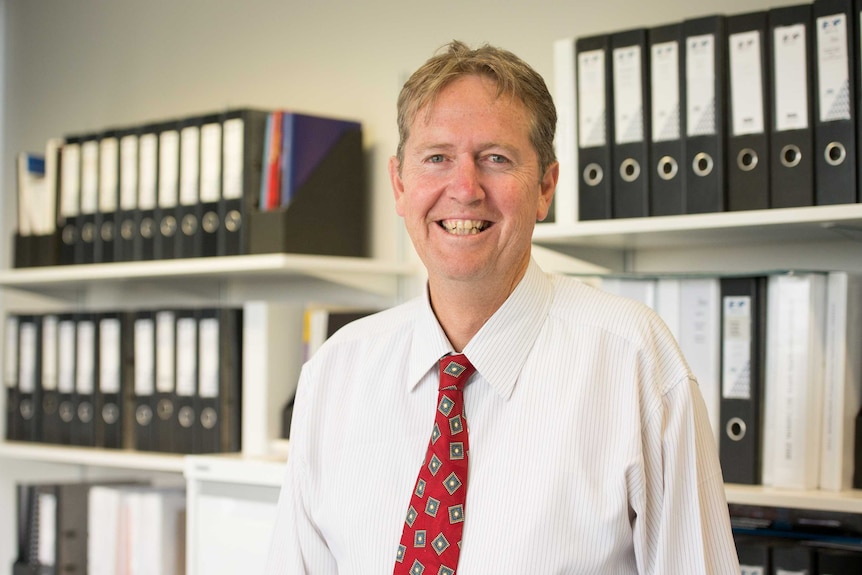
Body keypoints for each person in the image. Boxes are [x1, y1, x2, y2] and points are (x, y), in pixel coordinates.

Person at [265, 40, 740, 574]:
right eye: (437, 158)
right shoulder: (335, 372)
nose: (465, 189)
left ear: (545, 187)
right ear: (400, 184)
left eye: (496, 158)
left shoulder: (635, 364)